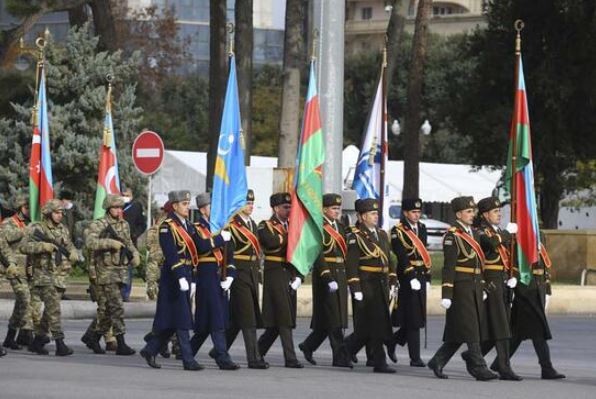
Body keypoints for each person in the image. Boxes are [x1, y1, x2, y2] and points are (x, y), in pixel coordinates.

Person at [140, 190, 227, 371]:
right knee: (182, 319)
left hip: (187, 275)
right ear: (175, 206)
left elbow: (201, 247)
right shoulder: (167, 227)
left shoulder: (188, 226)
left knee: (175, 319)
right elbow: (171, 254)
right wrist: (180, 276)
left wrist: (219, 239)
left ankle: (150, 349)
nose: (188, 207)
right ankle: (188, 360)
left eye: (188, 203)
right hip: (173, 278)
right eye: (184, 204)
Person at [427, 196, 498, 381]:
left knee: (460, 330)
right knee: (471, 328)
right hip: (461, 287)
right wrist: (447, 293)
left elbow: (479, 263)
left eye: (473, 211)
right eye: (468, 211)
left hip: (474, 285)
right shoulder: (452, 235)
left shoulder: (474, 233)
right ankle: (479, 368)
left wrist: (481, 285)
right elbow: (449, 266)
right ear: (459, 214)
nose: (472, 214)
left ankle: (437, 361)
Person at [492, 242, 565, 379]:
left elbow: (543, 266)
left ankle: (498, 363)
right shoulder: (517, 239)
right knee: (539, 331)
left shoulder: (539, 235)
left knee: (517, 334)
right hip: (525, 291)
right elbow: (513, 265)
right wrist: (518, 289)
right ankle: (546, 368)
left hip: (537, 289)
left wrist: (546, 289)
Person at [212, 189, 269, 369]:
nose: (250, 206)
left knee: (237, 319)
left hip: (252, 272)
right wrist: (227, 274)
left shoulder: (252, 223)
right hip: (238, 273)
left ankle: (218, 350)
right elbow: (228, 251)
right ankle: (253, 358)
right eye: (247, 203)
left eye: (252, 203)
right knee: (248, 318)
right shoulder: (231, 225)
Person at [20, 199, 79, 356]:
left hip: (58, 275)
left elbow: (69, 245)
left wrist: (73, 252)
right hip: (42, 275)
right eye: (56, 212)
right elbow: (24, 246)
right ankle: (60, 344)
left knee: (49, 312)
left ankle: (38, 341)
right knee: (54, 310)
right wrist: (43, 246)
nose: (60, 216)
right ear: (48, 213)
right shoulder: (36, 228)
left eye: (61, 213)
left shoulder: (62, 229)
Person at [344, 198, 397, 374]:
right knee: (375, 325)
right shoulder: (355, 237)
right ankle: (379, 362)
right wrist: (355, 288)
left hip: (380, 283)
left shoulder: (381, 234)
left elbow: (388, 259)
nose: (376, 216)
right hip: (366, 283)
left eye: (376, 213)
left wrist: (392, 279)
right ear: (362, 216)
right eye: (372, 214)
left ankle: (346, 351)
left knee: (371, 326)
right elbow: (351, 265)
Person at [298, 193, 351, 368]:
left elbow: (345, 253)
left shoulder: (341, 226)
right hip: (325, 276)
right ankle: (339, 357)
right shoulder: (318, 227)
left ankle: (308, 346)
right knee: (334, 318)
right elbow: (317, 254)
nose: (337, 211)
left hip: (340, 274)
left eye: (338, 208)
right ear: (324, 209)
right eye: (333, 208)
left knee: (330, 318)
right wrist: (327, 276)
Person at [83, 194, 140, 355]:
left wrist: (135, 254)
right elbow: (90, 243)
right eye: (115, 208)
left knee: (108, 309)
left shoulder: (124, 224)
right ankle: (121, 343)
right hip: (105, 271)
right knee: (117, 306)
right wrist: (110, 243)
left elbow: (128, 243)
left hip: (120, 270)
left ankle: (93, 336)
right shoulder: (99, 224)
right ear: (108, 208)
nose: (118, 210)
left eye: (120, 208)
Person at [189, 193, 239, 370]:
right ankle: (222, 356)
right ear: (203, 209)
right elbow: (201, 247)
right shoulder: (195, 228)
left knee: (205, 322)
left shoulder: (221, 228)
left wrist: (231, 276)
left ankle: (187, 351)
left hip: (220, 277)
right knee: (216, 318)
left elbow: (230, 256)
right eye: (212, 207)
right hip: (206, 276)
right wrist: (219, 239)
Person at [474, 196, 522, 380]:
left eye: (499, 211)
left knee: (501, 325)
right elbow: (489, 244)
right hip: (491, 281)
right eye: (495, 211)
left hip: (503, 280)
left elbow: (511, 256)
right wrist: (505, 234)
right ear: (485, 214)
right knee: (501, 326)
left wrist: (514, 275)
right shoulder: (481, 232)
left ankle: (473, 355)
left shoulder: (500, 231)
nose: (499, 214)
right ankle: (504, 366)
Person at [257, 192, 304, 368]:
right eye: (285, 207)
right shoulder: (266, 225)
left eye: (290, 207)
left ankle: (257, 351)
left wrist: (299, 276)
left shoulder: (292, 225)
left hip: (289, 272)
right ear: (276, 208)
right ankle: (290, 358)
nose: (289, 210)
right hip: (274, 272)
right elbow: (269, 242)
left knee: (279, 321)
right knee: (284, 317)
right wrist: (288, 236)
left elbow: (299, 251)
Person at [387, 198, 431, 367]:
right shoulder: (397, 231)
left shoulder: (422, 228)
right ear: (405, 213)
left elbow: (424, 254)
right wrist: (411, 276)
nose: (416, 215)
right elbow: (401, 255)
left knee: (417, 316)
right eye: (413, 212)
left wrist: (426, 277)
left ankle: (392, 341)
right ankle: (415, 357)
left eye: (419, 212)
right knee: (413, 317)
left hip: (420, 274)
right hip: (407, 277)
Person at [143, 201, 179, 359]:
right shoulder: (161, 228)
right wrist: (151, 281)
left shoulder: (176, 225)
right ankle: (163, 342)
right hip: (163, 273)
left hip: (173, 272)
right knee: (168, 313)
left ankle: (158, 340)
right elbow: (154, 257)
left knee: (170, 312)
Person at [1, 195, 34, 350]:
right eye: (27, 207)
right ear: (20, 208)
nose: (29, 210)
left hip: (26, 269)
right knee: (25, 298)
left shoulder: (26, 224)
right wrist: (25, 231)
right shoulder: (9, 222)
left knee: (21, 303)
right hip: (13, 268)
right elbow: (7, 237)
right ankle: (24, 334)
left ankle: (10, 337)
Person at [121, 187, 147, 301]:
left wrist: (135, 234)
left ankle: (125, 293)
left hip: (130, 242)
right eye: (123, 194)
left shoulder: (136, 206)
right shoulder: (116, 206)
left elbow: (142, 224)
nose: (124, 196)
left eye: (127, 194)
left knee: (128, 269)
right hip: (116, 243)